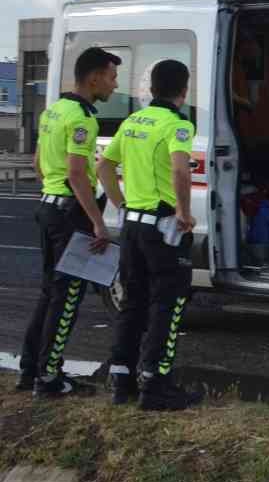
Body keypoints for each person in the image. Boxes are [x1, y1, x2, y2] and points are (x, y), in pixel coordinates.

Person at [96, 59, 203, 411]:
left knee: (132, 302)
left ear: (151, 88)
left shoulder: (132, 121)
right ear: (183, 90)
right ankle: (156, 384)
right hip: (162, 226)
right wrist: (184, 213)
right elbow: (179, 169)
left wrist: (121, 203)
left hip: (132, 226)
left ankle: (121, 380)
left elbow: (104, 166)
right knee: (167, 303)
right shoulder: (178, 124)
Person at [18, 46, 122, 397]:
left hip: (49, 207)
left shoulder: (54, 111)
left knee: (50, 294)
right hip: (71, 215)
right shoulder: (82, 117)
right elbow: (78, 175)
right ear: (94, 78)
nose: (114, 84)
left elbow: (38, 164)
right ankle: (49, 379)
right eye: (111, 76)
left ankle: (30, 370)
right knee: (68, 298)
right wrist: (98, 222)